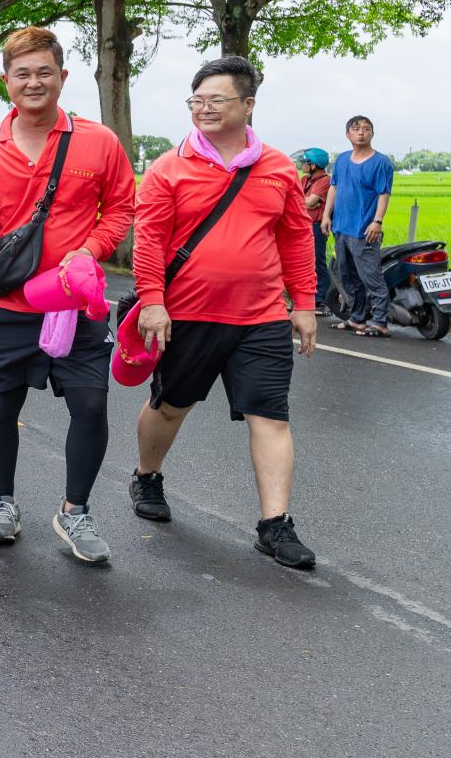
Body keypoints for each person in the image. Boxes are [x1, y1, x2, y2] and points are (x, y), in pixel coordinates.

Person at [0, 26, 135, 564]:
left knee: (91, 403)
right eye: (22, 73)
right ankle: (4, 504)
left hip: (75, 301)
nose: (33, 82)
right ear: (5, 81)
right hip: (4, 302)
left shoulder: (97, 140)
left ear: (62, 76)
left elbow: (122, 208)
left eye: (43, 72)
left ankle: (75, 510)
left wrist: (90, 250)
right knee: (3, 404)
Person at [128, 57, 319, 569]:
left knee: (271, 417)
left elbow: (297, 238)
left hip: (260, 318)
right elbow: (149, 240)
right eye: (197, 101)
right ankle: (147, 476)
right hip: (187, 315)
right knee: (171, 406)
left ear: (248, 105)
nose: (205, 109)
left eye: (217, 99)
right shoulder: (170, 167)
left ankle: (274, 525)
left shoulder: (277, 168)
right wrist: (152, 301)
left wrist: (303, 303)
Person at [325, 115, 394, 336]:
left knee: (371, 277)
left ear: (372, 133)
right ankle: (357, 318)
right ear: (348, 134)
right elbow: (333, 188)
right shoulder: (342, 160)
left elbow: (384, 193)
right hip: (341, 228)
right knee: (347, 276)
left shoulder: (380, 162)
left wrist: (377, 221)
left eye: (366, 128)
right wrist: (327, 215)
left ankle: (380, 323)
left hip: (364, 230)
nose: (361, 132)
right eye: (356, 129)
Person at [294, 148, 332, 315]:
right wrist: (305, 201)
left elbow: (310, 202)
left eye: (305, 162)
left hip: (316, 226)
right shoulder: (305, 179)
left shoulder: (324, 181)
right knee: (303, 263)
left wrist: (305, 201)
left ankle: (321, 300)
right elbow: (299, 199)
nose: (302, 165)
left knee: (317, 262)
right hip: (303, 225)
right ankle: (307, 298)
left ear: (313, 164)